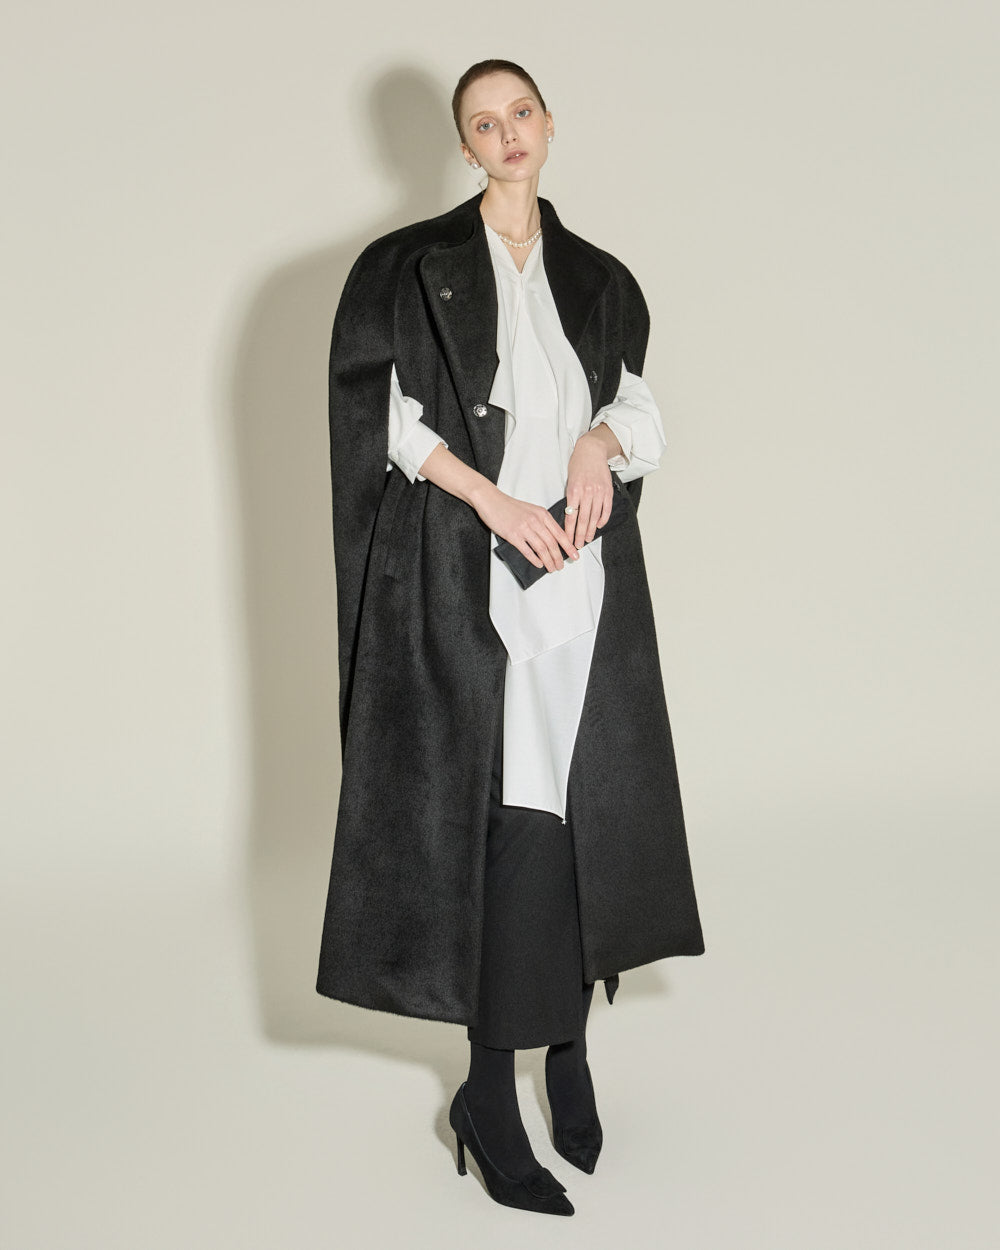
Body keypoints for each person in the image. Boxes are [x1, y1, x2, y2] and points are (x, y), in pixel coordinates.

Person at [316, 60, 705, 1216]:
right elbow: (388, 419)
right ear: (465, 145)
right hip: (473, 585)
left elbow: (635, 407)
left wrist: (594, 444)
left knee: (587, 815)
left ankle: (569, 1053)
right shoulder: (409, 268)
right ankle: (491, 1091)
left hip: (583, 584)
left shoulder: (598, 278)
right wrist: (492, 500)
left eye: (520, 113)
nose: (506, 134)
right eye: (483, 123)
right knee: (509, 831)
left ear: (547, 122)